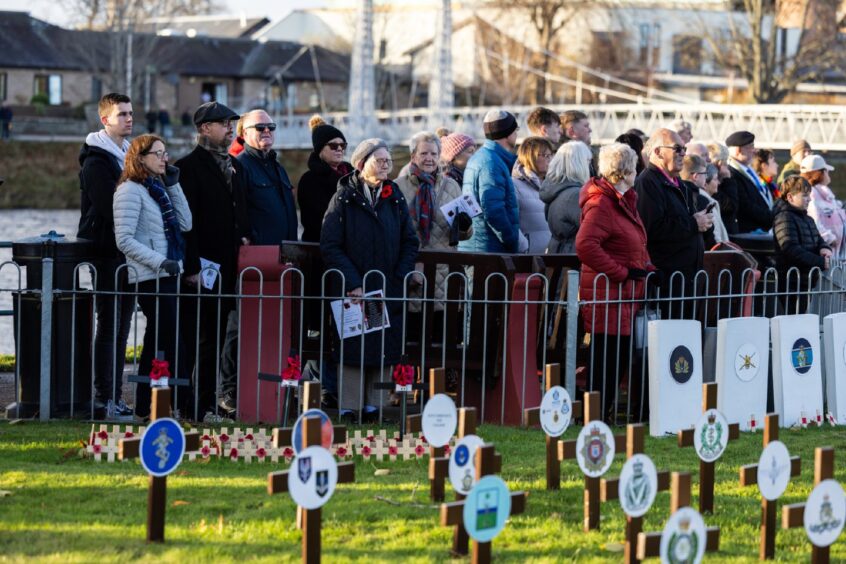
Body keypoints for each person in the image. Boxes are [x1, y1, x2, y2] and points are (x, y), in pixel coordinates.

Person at [320, 138, 419, 421]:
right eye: (380, 160)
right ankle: (350, 408)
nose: (387, 164)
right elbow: (330, 244)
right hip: (356, 289)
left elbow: (409, 241)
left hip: (385, 286)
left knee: (381, 347)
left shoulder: (394, 195)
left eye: (389, 159)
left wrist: (399, 277)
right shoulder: (344, 197)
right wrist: (353, 282)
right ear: (362, 165)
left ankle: (374, 407)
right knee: (354, 346)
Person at [176, 101, 251, 422]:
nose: (230, 128)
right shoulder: (187, 167)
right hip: (202, 268)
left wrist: (244, 237)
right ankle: (194, 405)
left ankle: (207, 403)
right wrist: (191, 267)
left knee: (218, 337)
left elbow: (240, 211)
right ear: (205, 128)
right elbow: (185, 223)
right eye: (223, 123)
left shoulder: (236, 165)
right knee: (201, 339)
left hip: (229, 266)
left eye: (231, 123)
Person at [113, 134, 192, 418]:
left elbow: (186, 223)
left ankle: (149, 406)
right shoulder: (130, 191)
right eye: (157, 153)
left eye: (165, 152)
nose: (164, 158)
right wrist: (161, 262)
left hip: (169, 273)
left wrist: (174, 185)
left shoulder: (157, 188)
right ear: (140, 158)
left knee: (159, 338)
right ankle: (184, 404)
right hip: (150, 276)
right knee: (170, 338)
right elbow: (124, 239)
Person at [576, 142, 654, 422]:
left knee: (616, 360)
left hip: (622, 297)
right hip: (608, 296)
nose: (637, 174)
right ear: (623, 173)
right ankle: (595, 419)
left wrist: (646, 267)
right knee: (606, 363)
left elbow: (631, 244)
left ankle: (602, 416)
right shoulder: (602, 204)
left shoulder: (620, 201)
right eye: (634, 169)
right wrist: (620, 272)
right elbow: (585, 245)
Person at [76, 92, 135, 419]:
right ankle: (103, 397)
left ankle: (114, 395)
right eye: (122, 114)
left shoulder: (127, 153)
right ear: (105, 119)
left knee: (122, 325)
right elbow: (112, 207)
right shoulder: (97, 160)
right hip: (105, 251)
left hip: (126, 252)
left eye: (130, 113)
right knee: (110, 323)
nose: (128, 118)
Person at [396, 131, 470, 340]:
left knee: (443, 339)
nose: (429, 158)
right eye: (424, 153)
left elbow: (463, 235)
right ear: (413, 156)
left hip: (445, 272)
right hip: (413, 273)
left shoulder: (451, 185)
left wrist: (464, 225)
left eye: (434, 154)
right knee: (412, 339)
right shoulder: (399, 186)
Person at [636, 128, 712, 315]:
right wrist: (694, 224)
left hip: (688, 278)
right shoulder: (648, 182)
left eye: (684, 149)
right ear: (658, 152)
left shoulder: (679, 184)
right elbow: (653, 228)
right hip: (667, 281)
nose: (683, 154)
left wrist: (703, 222)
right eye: (677, 149)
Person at [459, 110, 525, 253]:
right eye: (516, 130)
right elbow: (493, 211)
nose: (517, 134)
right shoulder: (491, 164)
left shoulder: (482, 157)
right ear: (508, 134)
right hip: (488, 250)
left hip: (480, 246)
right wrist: (512, 241)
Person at [772, 175, 832, 314]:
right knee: (794, 323)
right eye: (805, 195)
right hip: (791, 283)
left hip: (806, 281)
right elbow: (790, 248)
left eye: (809, 195)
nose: (809, 199)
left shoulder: (808, 219)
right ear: (790, 197)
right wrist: (820, 261)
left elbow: (819, 240)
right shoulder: (784, 217)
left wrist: (824, 247)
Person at [238, 110, 297, 245]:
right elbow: (235, 213)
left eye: (271, 127)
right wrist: (252, 238)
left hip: (287, 254)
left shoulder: (278, 167)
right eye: (260, 127)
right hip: (259, 255)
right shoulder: (239, 166)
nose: (266, 130)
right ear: (245, 133)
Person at [298, 115, 352, 243]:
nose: (339, 149)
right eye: (333, 145)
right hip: (321, 247)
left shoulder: (353, 175)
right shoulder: (309, 180)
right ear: (320, 149)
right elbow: (314, 223)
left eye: (342, 145)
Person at [540, 140, 592, 254]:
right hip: (572, 258)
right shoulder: (575, 195)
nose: (589, 167)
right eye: (587, 161)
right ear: (579, 163)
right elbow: (593, 230)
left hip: (558, 253)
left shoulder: (556, 190)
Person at [513, 136, 554, 253]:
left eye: (551, 155)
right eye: (545, 156)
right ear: (530, 157)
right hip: (529, 259)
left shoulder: (552, 184)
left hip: (552, 257)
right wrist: (524, 247)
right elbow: (511, 222)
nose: (550, 160)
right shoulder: (515, 185)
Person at [726, 131, 773, 233]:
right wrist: (771, 217)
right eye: (750, 147)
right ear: (738, 150)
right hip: (749, 231)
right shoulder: (732, 173)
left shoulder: (748, 170)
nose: (754, 151)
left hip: (761, 228)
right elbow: (746, 205)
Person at [801, 154, 846, 259]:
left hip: (839, 256)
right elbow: (814, 224)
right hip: (829, 258)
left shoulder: (825, 194)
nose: (828, 173)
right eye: (826, 170)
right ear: (818, 174)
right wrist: (831, 239)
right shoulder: (812, 195)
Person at [680, 154, 726, 247]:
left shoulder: (675, 193)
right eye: (705, 174)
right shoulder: (701, 199)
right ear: (695, 176)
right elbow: (710, 237)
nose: (706, 177)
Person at [707, 141, 739, 234]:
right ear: (720, 163)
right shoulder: (712, 182)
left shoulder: (717, 180)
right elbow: (731, 206)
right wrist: (728, 179)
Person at [562, 110, 594, 177]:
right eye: (586, 126)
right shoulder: (569, 160)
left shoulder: (586, 153)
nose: (590, 130)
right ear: (571, 132)